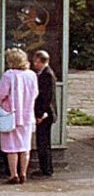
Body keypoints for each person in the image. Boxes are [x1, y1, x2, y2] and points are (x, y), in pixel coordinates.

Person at [0, 48, 38, 185]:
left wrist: (1, 102)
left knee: (11, 147)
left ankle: (13, 174)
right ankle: (23, 173)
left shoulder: (9, 75)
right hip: (27, 115)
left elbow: (1, 93)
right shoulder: (31, 75)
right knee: (25, 147)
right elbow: (35, 93)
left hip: (11, 114)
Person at [31, 49, 57, 178]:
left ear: (41, 61)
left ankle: (46, 169)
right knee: (43, 141)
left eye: (36, 61)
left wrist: (40, 114)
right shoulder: (44, 73)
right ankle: (45, 168)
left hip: (45, 114)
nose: (34, 64)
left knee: (43, 142)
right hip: (46, 112)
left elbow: (46, 97)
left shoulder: (47, 75)